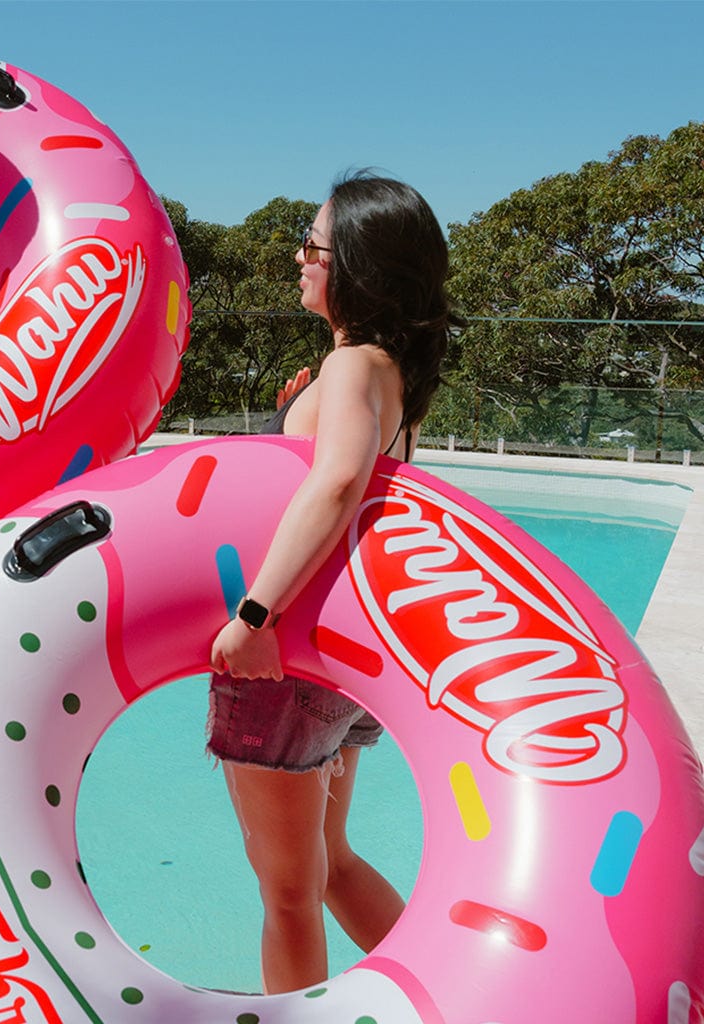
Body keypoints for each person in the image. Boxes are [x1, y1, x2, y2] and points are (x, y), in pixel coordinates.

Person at [207, 172, 457, 992]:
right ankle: (453, 998)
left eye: (313, 245)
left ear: (354, 264)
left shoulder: (352, 364)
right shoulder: (389, 373)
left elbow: (340, 483)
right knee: (332, 863)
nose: (300, 258)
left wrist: (252, 613)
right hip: (339, 665)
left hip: (284, 658)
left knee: (286, 893)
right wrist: (302, 412)